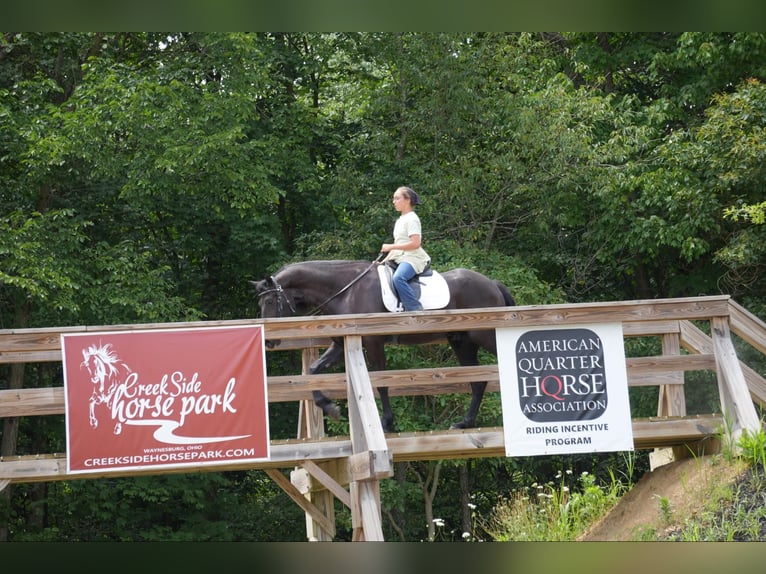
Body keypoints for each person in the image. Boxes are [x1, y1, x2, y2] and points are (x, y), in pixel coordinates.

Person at [380, 186, 430, 311]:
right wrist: (382, 261)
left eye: (397, 198)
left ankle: (415, 309)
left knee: (399, 278)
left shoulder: (412, 219)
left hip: (413, 258)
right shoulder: (400, 220)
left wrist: (391, 246)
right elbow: (399, 244)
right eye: (393, 199)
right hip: (400, 257)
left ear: (407, 200)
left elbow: (415, 243)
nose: (393, 201)